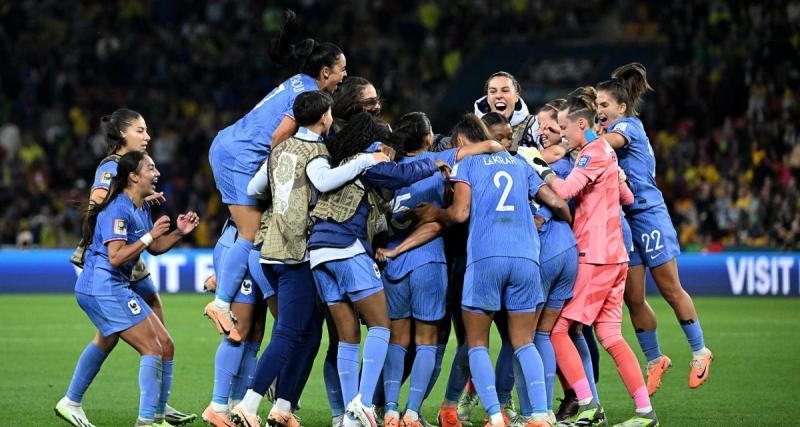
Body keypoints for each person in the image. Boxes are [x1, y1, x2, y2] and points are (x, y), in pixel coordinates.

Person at [230, 92, 390, 427]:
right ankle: (248, 404)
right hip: (296, 252)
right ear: (323, 118)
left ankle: (283, 406)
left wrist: (284, 192)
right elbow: (323, 180)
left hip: (270, 249)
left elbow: (255, 187)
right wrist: (364, 161)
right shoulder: (317, 152)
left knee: (309, 334)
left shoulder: (281, 149)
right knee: (289, 332)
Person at [410, 114, 570, 427]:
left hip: (486, 258)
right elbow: (554, 200)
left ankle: (495, 415)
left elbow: (460, 213)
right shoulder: (520, 163)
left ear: (460, 142)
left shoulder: (467, 164)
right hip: (526, 259)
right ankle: (540, 414)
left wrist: (435, 213)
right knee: (523, 341)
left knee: (476, 343)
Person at [205, 10, 347, 341]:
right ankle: (221, 301)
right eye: (342, 69)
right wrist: (278, 174)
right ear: (326, 71)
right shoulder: (309, 95)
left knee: (246, 225)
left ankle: (222, 277)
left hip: (231, 146)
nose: (344, 75)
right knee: (250, 231)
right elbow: (279, 136)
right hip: (240, 156)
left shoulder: (301, 81)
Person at [307, 112, 448, 427]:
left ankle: (350, 416)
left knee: (347, 337)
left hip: (318, 251)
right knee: (382, 327)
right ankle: (366, 403)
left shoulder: (342, 162)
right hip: (346, 246)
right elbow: (399, 174)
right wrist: (433, 163)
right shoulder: (370, 159)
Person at [531, 88, 658, 426]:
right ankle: (645, 412)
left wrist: (538, 166)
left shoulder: (592, 152)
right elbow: (627, 198)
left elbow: (565, 190)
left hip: (596, 256)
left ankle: (588, 404)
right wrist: (617, 178)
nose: (562, 134)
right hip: (616, 256)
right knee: (611, 336)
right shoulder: (604, 153)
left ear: (581, 125)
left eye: (564, 127)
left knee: (558, 330)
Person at [62, 109, 196, 426]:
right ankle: (149, 410)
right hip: (112, 257)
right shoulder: (113, 168)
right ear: (123, 134)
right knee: (148, 341)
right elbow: (98, 205)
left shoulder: (137, 194)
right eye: (140, 130)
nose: (147, 136)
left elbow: (156, 246)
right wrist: (134, 200)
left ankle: (156, 404)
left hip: (125, 259)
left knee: (150, 339)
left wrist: (148, 207)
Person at [376, 112, 503, 427]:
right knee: (427, 341)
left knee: (397, 341)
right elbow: (490, 146)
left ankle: (389, 410)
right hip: (428, 262)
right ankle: (411, 413)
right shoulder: (438, 160)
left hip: (392, 265)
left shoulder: (389, 169)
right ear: (426, 138)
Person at [596, 62, 712, 394]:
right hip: (624, 220)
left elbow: (608, 143)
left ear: (621, 107)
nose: (599, 111)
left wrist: (583, 134)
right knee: (633, 296)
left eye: (604, 105)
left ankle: (700, 351)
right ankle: (655, 359)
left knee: (670, 288)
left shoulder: (629, 126)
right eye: (597, 106)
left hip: (648, 215)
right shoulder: (609, 130)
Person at [473, 71, 538, 153]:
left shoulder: (534, 127)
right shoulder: (472, 129)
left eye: (505, 91)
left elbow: (552, 153)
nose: (498, 95)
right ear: (487, 98)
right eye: (493, 91)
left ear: (517, 96)